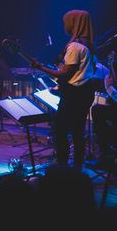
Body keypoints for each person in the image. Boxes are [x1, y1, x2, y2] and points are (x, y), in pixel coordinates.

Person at [31, 10, 96, 168]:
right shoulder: (88, 45)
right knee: (77, 132)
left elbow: (66, 74)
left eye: (66, 22)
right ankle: (77, 169)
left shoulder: (75, 46)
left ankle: (62, 166)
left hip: (74, 95)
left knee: (60, 130)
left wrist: (41, 67)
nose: (64, 25)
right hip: (85, 93)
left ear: (73, 23)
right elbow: (77, 73)